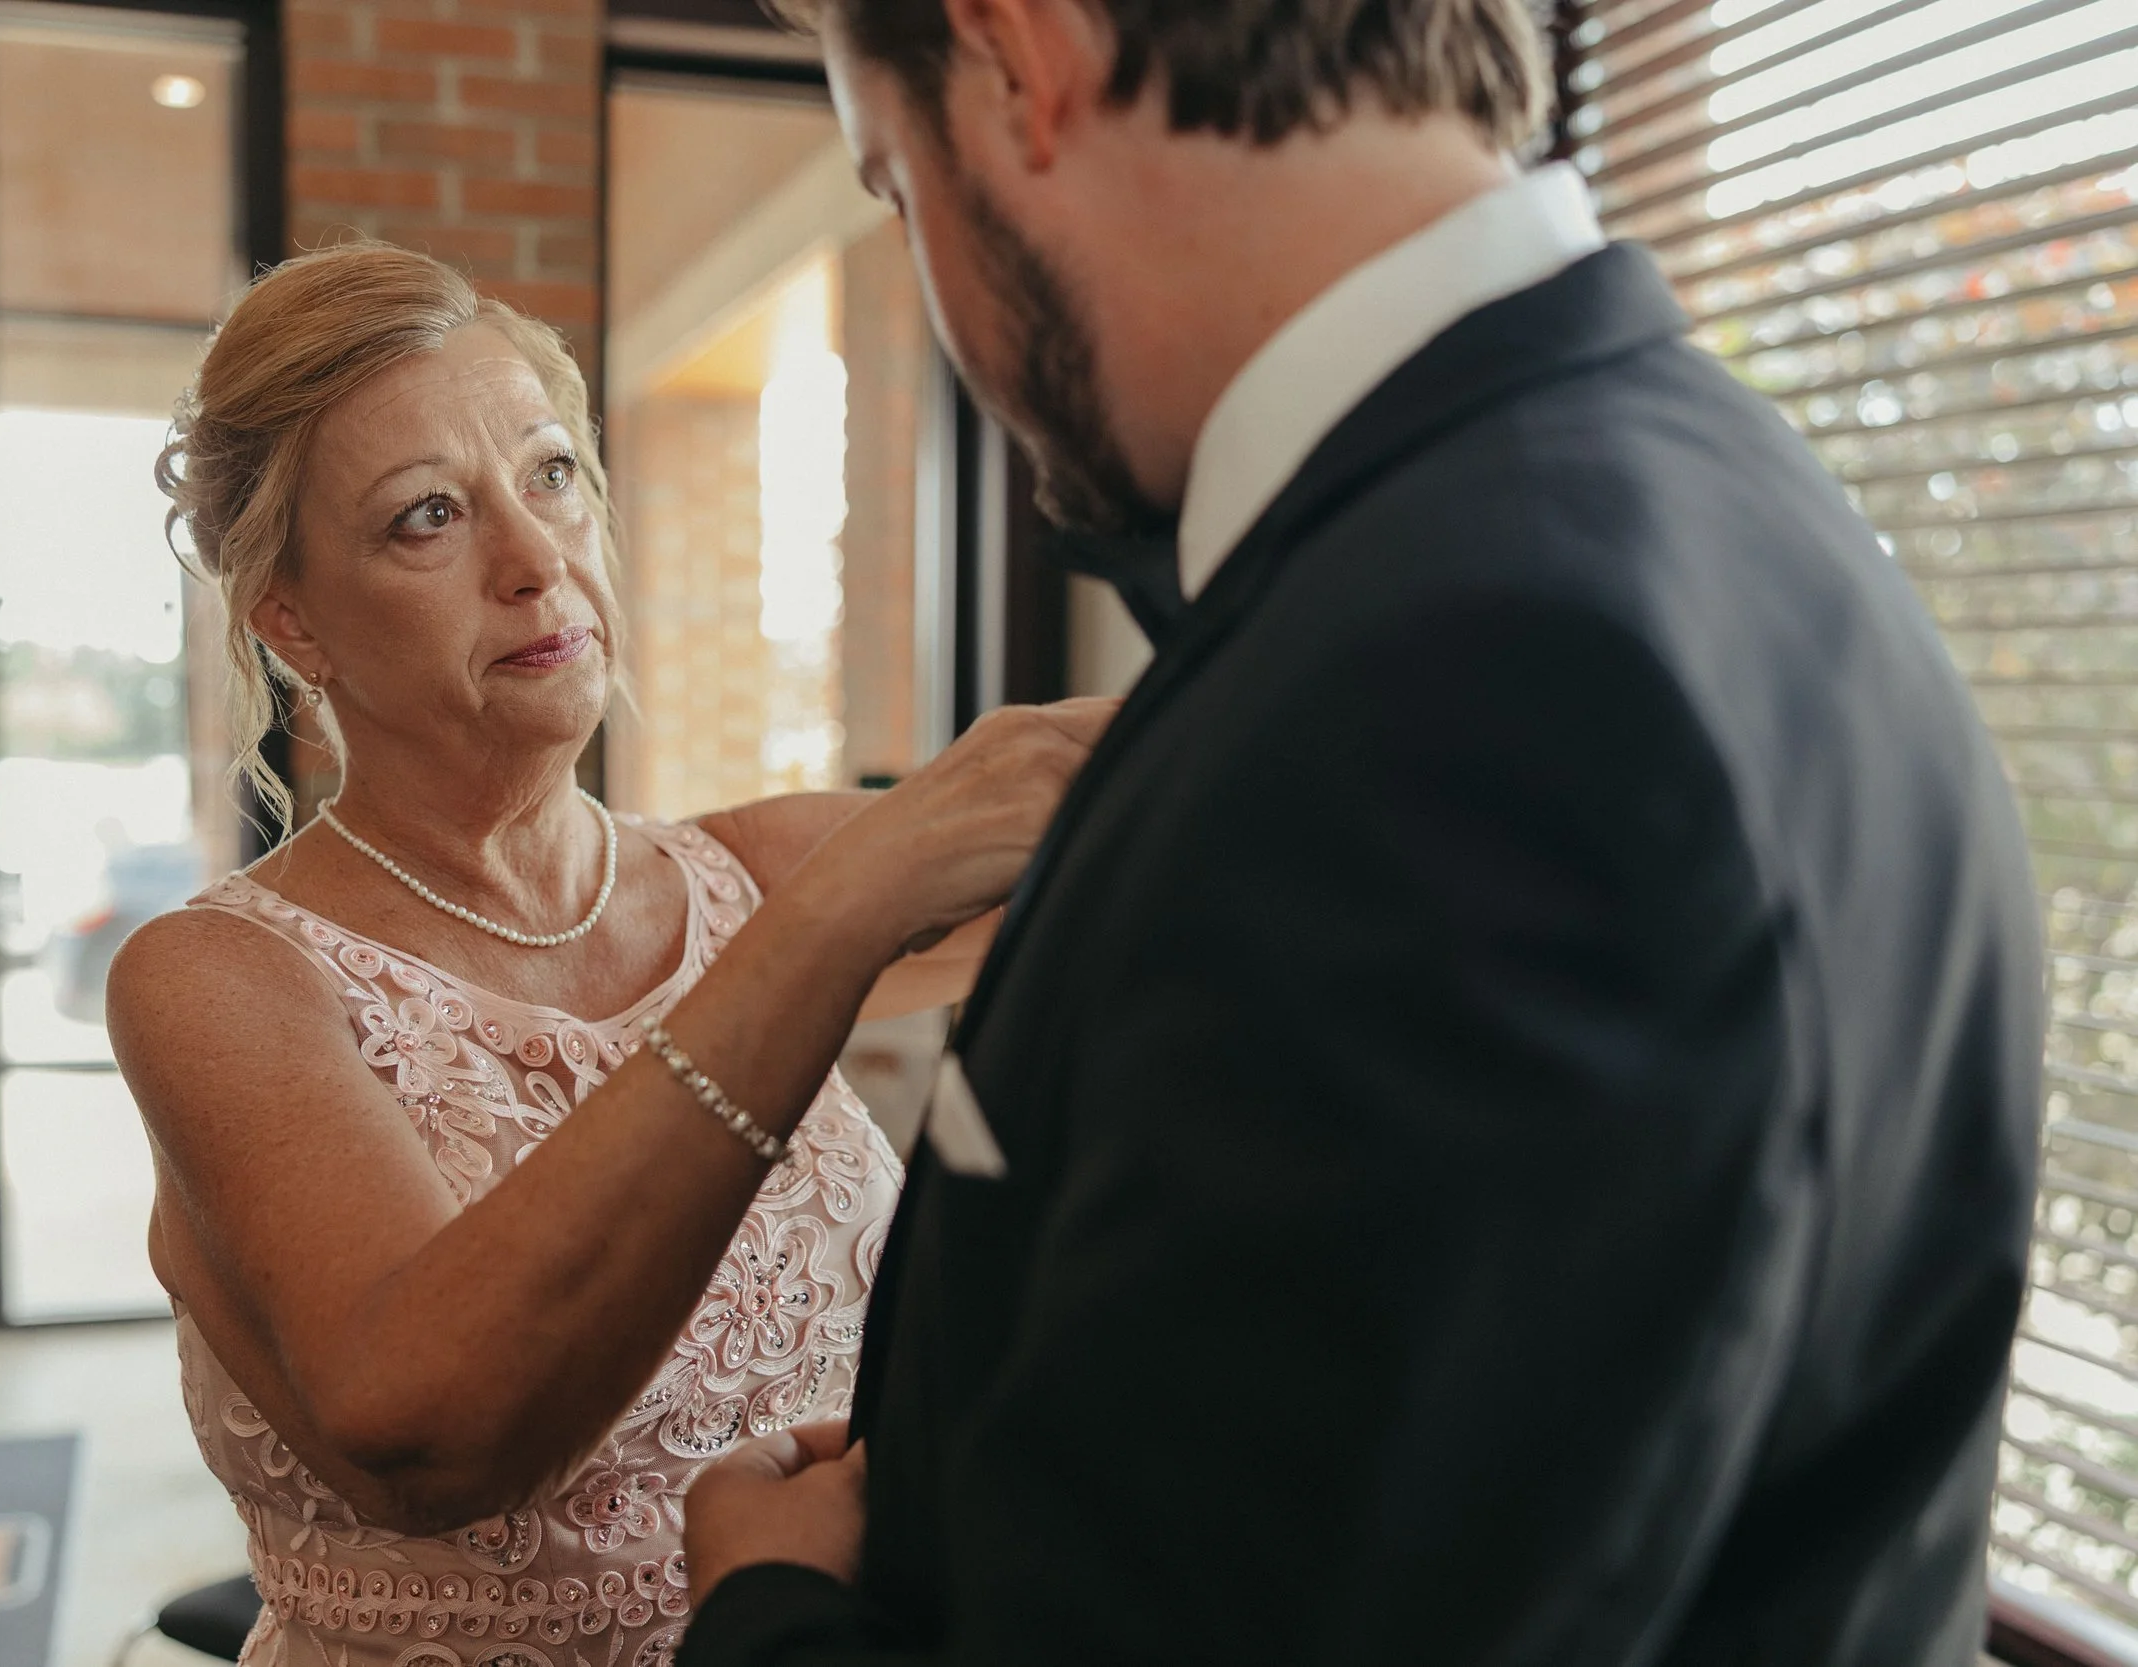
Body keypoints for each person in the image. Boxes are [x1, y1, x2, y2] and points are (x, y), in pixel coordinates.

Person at [677, 2, 2045, 1664]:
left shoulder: (1472, 690)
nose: (936, 301)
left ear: (1020, 55)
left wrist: (768, 1609)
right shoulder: (1724, 512)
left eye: (895, 186)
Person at [109, 241, 1112, 1667]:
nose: (536, 563)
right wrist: (829, 930)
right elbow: (431, 1430)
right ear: (291, 616)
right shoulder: (220, 980)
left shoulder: (757, 866)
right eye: (427, 518)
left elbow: (1189, 853)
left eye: (553, 474)